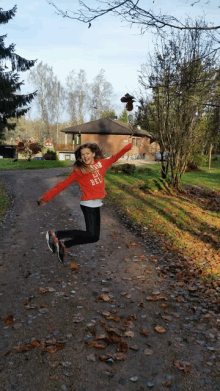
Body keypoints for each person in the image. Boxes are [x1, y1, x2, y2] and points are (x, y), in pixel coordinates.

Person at [38, 141, 132, 262]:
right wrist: (46, 197)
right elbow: (63, 184)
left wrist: (128, 147)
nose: (85, 157)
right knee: (91, 234)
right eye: (83, 155)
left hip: (97, 204)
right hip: (88, 204)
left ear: (93, 154)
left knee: (94, 237)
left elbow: (115, 157)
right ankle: (57, 235)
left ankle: (65, 245)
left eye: (87, 153)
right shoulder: (79, 171)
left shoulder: (102, 164)